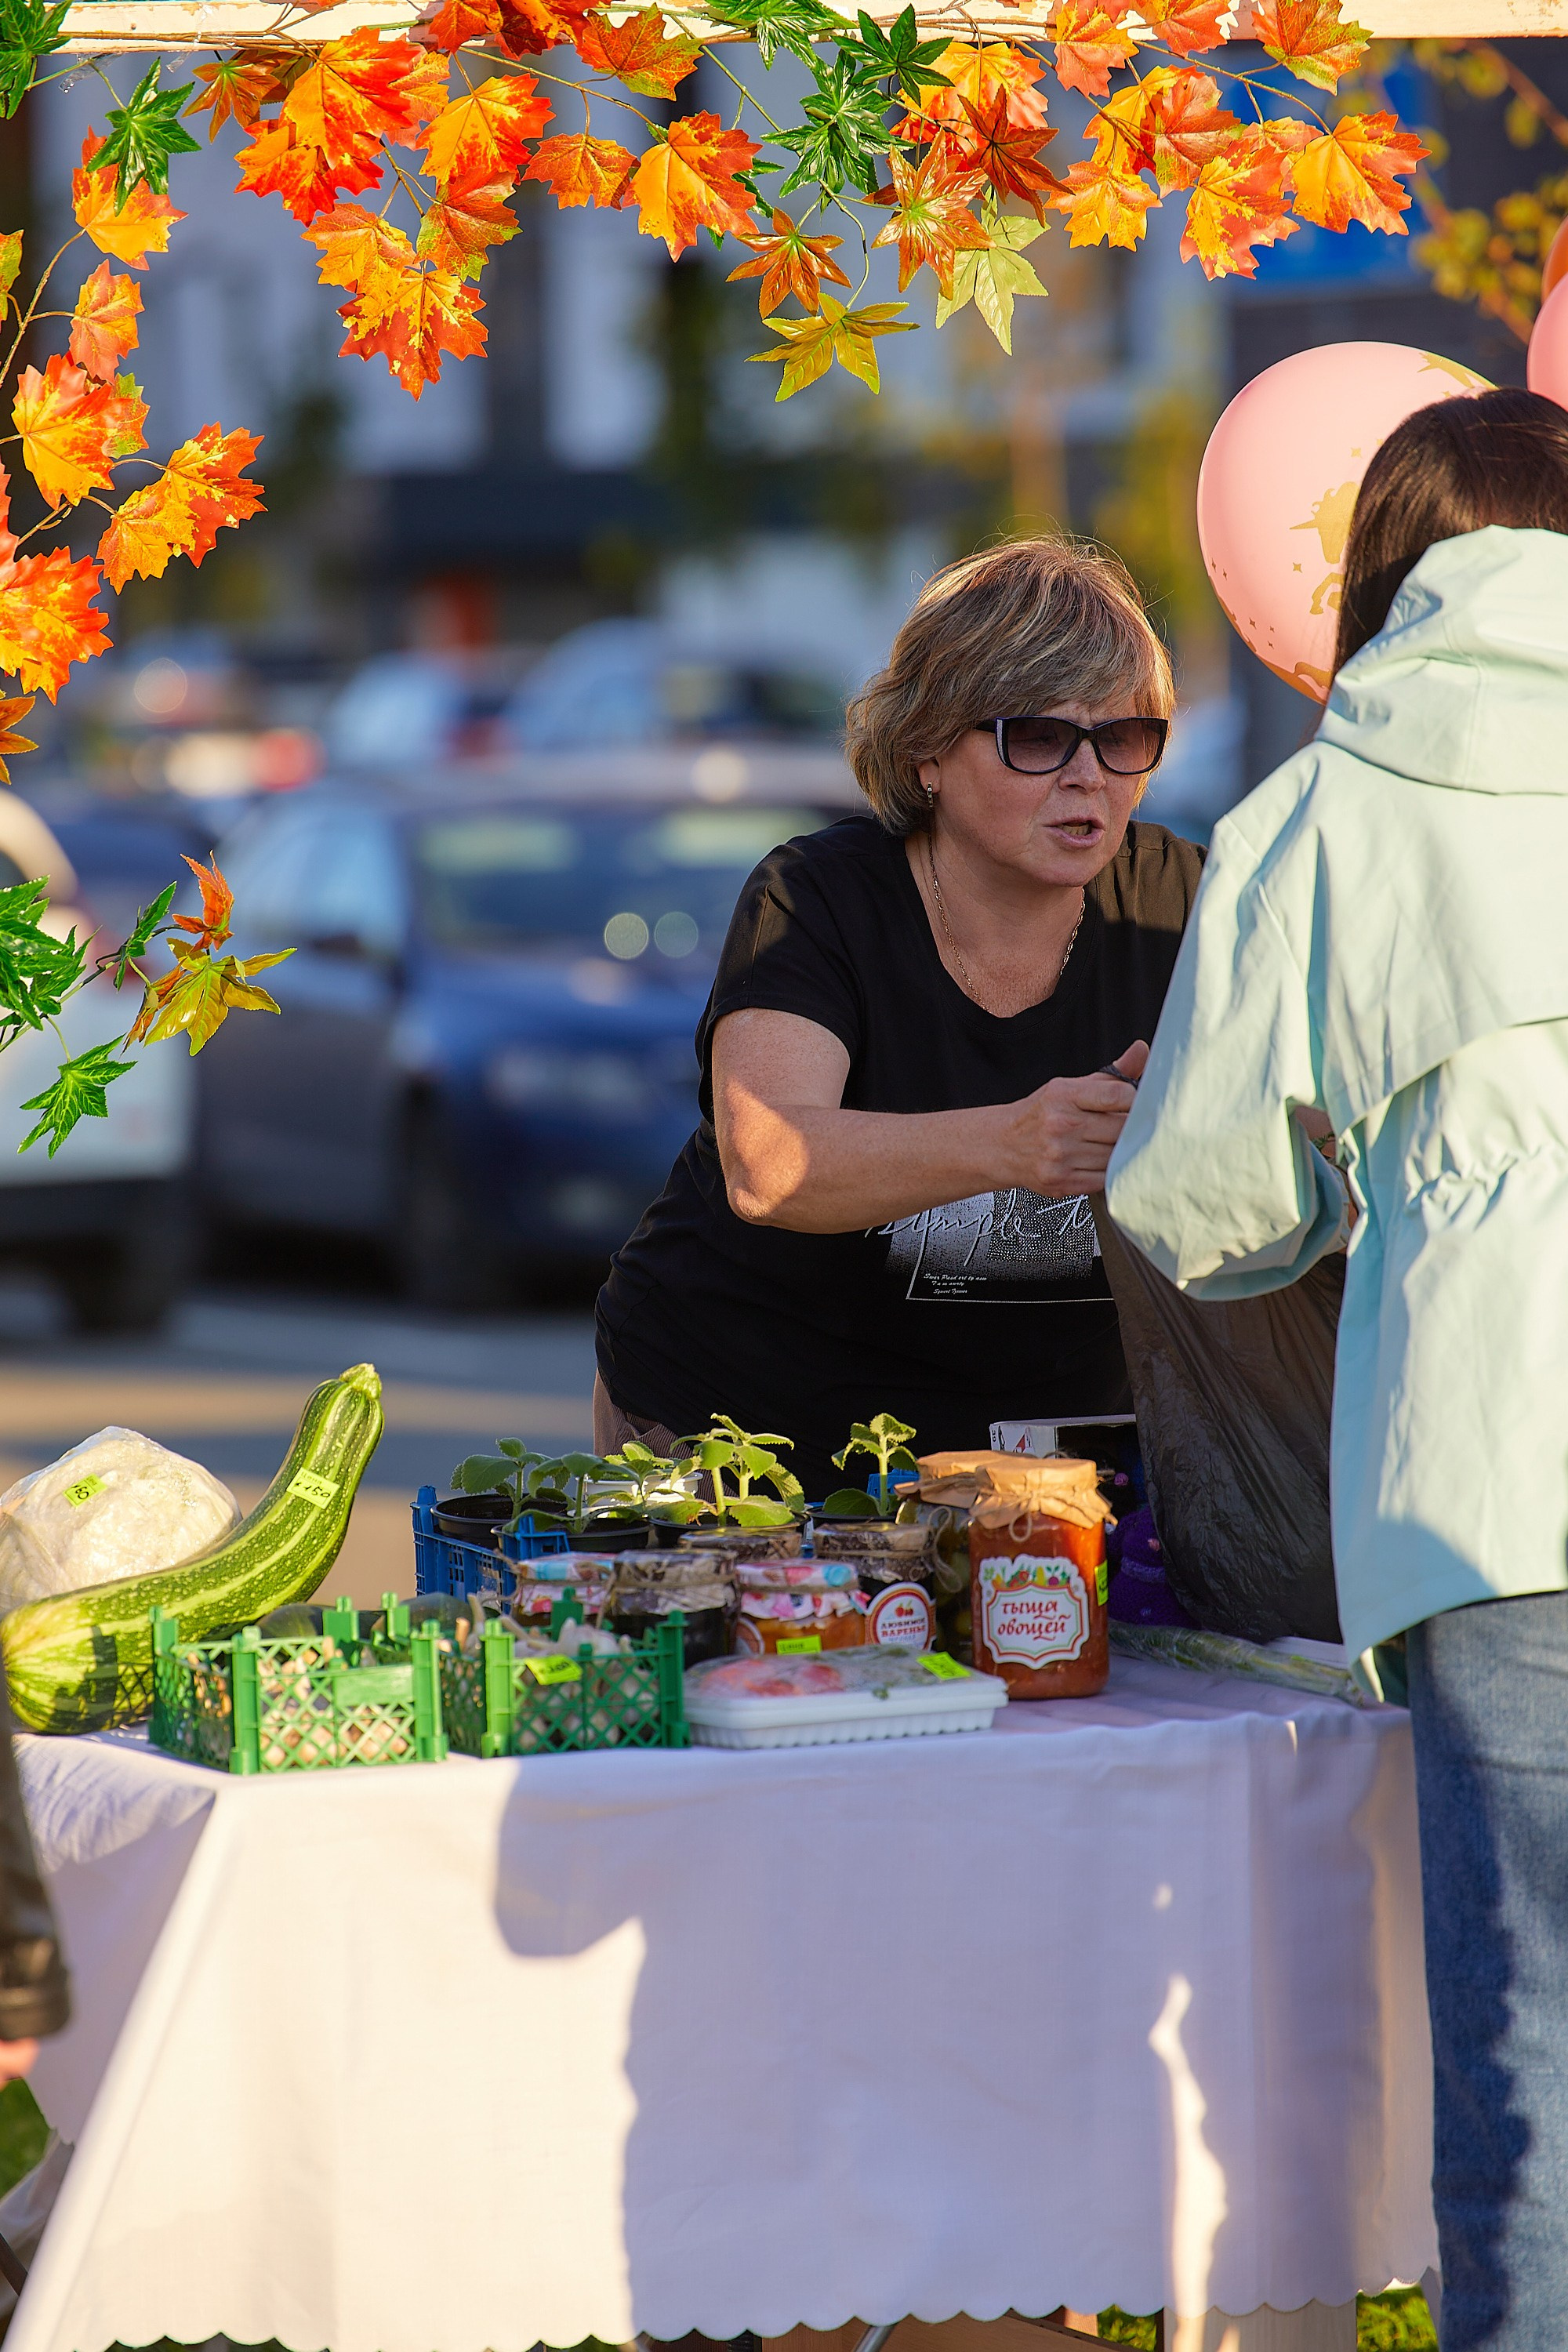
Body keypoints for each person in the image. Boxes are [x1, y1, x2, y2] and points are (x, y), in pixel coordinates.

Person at [1105, 387, 1568, 2352]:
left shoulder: (1318, 808)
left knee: (1533, 2066)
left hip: (1491, 1473)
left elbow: (1199, 1203)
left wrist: (1356, 1179)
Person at [594, 537, 1202, 1500]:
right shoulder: (818, 897)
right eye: (1037, 737)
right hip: (748, 1433)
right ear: (925, 750)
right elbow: (767, 1164)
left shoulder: (1182, 904)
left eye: (1122, 737)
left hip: (1052, 1460)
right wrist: (1017, 1142)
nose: (1088, 774)